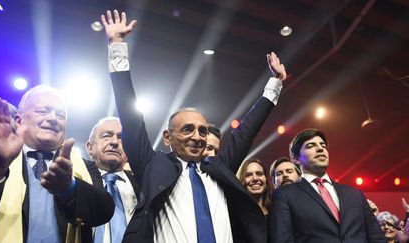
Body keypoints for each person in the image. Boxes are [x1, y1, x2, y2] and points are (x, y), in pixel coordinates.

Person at [101, 9, 286, 243]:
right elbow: (130, 116)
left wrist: (275, 83)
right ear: (167, 137)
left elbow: (246, 131)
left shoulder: (219, 167)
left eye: (203, 130)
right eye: (187, 129)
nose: (198, 137)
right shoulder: (151, 165)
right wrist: (117, 45)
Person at [0, 86, 115, 243]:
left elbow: (104, 211)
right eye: (42, 111)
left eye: (60, 115)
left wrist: (70, 188)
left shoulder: (86, 166)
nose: (52, 118)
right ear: (19, 120)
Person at [269, 128, 386, 242]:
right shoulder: (284, 195)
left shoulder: (355, 194)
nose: (320, 148)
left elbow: (376, 238)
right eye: (311, 146)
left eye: (323, 145)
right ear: (295, 158)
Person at [85, 117, 139, 243]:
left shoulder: (143, 185)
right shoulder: (77, 179)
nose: (114, 142)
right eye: (106, 136)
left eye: (121, 138)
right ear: (89, 147)